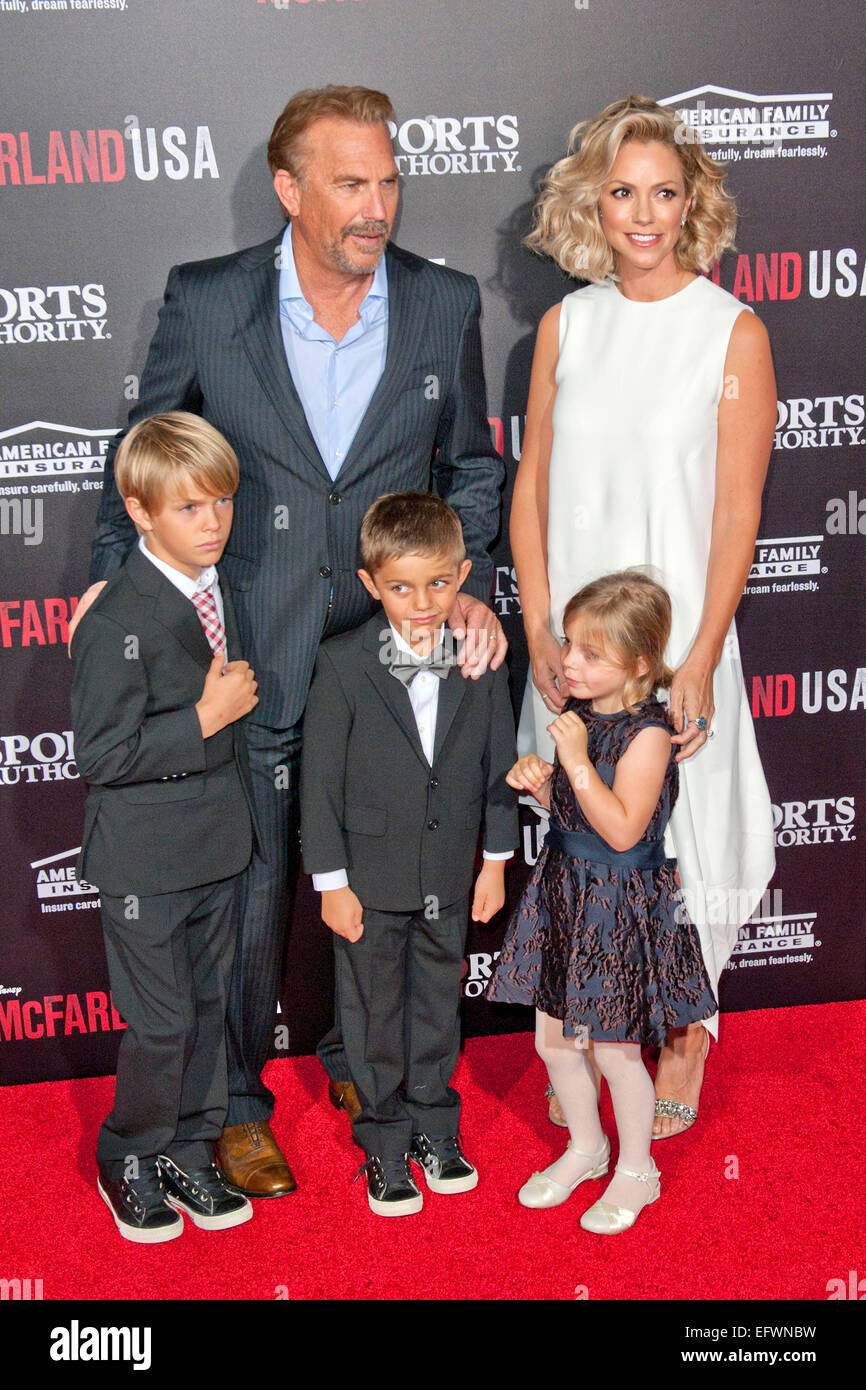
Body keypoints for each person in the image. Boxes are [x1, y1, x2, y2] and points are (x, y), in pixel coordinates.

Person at [81, 86, 506, 1196]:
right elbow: (145, 449)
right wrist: (107, 587)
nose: (377, 205)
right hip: (251, 655)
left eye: (389, 181)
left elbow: (469, 465)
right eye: (351, 182)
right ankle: (229, 1106)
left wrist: (474, 587)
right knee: (247, 895)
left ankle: (374, 1074)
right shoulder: (208, 298)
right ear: (289, 188)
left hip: (386, 664)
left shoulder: (441, 303)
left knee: (384, 883)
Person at [509, 94, 776, 1138]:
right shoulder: (565, 323)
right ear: (591, 202)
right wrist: (537, 626)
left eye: (663, 193)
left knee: (684, 831)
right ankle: (591, 1016)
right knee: (584, 829)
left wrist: (701, 651)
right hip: (574, 639)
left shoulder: (729, 331)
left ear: (690, 203)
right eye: (621, 192)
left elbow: (737, 508)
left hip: (674, 640)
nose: (642, 213)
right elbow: (531, 483)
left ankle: (685, 1033)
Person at [300, 492, 519, 1215]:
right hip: (368, 878)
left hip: (452, 874)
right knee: (369, 1014)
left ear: (462, 575)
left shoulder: (480, 658)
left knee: (435, 1008)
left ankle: (435, 1127)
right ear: (370, 585)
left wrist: (493, 863)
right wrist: (332, 883)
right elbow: (320, 785)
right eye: (400, 586)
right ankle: (385, 1142)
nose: (421, 602)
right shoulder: (340, 664)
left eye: (437, 584)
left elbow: (496, 768)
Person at [70, 412, 259, 1243]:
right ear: (140, 512)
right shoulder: (116, 614)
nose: (212, 521)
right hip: (145, 859)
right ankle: (132, 1156)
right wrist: (207, 717)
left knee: (209, 1005)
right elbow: (103, 754)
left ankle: (190, 1145)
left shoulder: (229, 583)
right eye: (188, 507)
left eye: (221, 500)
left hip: (219, 843)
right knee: (160, 1021)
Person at [489, 572, 717, 1233]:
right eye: (569, 644)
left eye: (592, 654)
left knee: (616, 1050)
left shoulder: (647, 733)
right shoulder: (581, 718)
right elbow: (583, 813)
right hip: (565, 889)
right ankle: (588, 1149)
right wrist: (542, 786)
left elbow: (623, 830)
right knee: (555, 1041)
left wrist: (576, 763)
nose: (569, 662)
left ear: (640, 664)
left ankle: (637, 1169)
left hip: (620, 903)